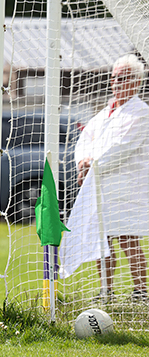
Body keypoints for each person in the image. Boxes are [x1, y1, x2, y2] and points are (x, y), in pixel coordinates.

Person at [75, 54, 149, 301]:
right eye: (114, 77)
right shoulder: (106, 111)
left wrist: (91, 163)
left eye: (123, 78)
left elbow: (122, 147)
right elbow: (86, 139)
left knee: (128, 238)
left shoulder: (140, 113)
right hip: (100, 185)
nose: (116, 83)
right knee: (102, 239)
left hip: (127, 187)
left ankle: (140, 291)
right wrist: (82, 163)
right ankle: (106, 290)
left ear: (136, 82)